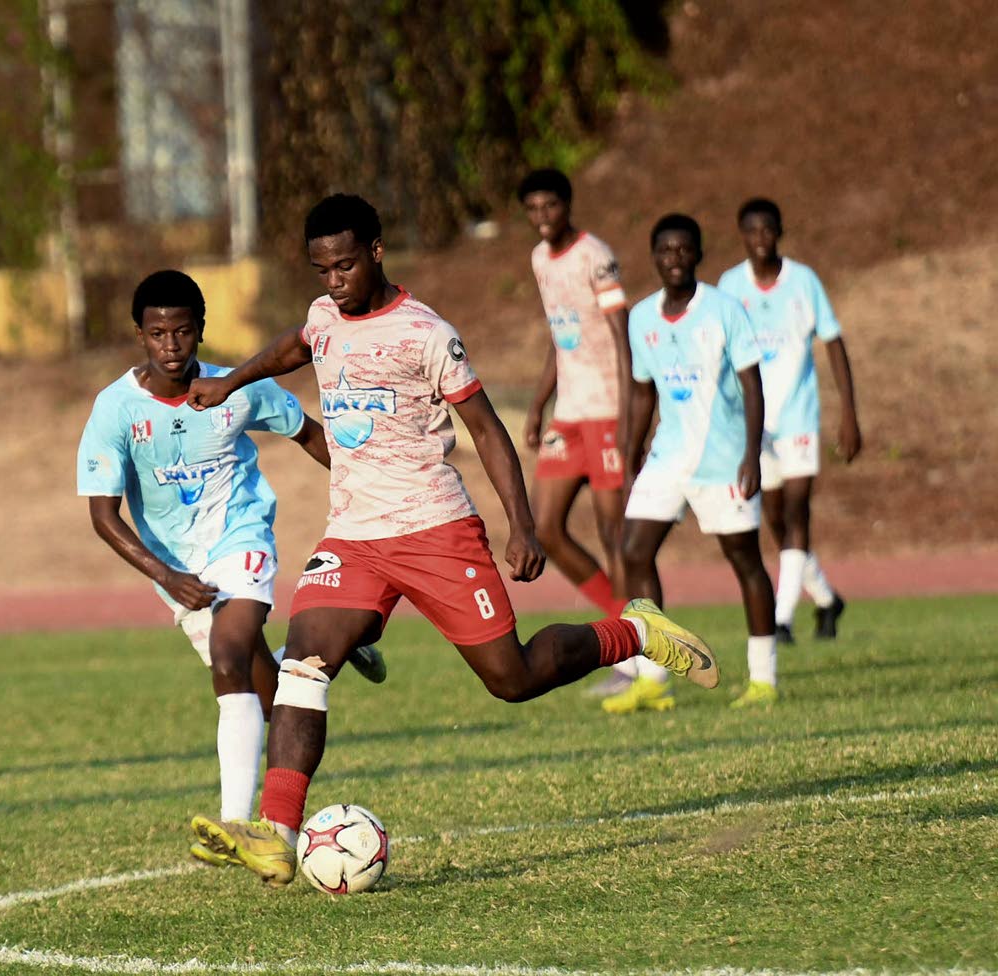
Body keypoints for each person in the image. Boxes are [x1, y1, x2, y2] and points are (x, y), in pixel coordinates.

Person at [183, 194, 721, 887]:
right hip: (353, 536)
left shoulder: (425, 333)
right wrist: (231, 379)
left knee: (513, 678)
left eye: (345, 265)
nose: (334, 281)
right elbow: (297, 342)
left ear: (376, 251)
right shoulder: (324, 317)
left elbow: (489, 430)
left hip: (437, 529)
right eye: (322, 270)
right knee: (304, 662)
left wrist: (521, 524)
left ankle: (634, 633)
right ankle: (276, 831)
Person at [75, 269, 385, 854]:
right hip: (176, 569)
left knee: (228, 656)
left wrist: (367, 496)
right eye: (158, 333)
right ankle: (340, 640)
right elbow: (103, 517)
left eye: (184, 332)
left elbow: (308, 433)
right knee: (263, 687)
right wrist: (167, 576)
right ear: (139, 334)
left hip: (242, 538)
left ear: (201, 331)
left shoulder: (235, 388)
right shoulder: (115, 410)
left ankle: (235, 824)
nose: (172, 346)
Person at [613, 214, 778, 713]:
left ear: (699, 254)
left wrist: (752, 454)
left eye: (684, 250)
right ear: (654, 256)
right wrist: (632, 452)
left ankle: (764, 679)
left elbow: (752, 385)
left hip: (724, 460)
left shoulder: (724, 309)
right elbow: (643, 392)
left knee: (744, 560)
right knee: (634, 551)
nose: (674, 259)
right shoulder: (641, 317)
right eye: (665, 250)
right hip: (668, 456)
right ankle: (652, 676)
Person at [717, 198, 861, 643]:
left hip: (798, 418)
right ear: (742, 236)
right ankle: (826, 598)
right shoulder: (729, 285)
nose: (761, 240)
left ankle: (780, 621)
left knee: (798, 514)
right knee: (775, 521)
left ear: (780, 231)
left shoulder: (803, 281)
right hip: (755, 425)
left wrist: (849, 414)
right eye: (752, 232)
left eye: (768, 230)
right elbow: (721, 354)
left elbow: (834, 343)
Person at [517, 169, 630, 628]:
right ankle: (623, 627)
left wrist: (630, 419)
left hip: (607, 411)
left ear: (568, 204)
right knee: (543, 528)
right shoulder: (540, 258)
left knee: (614, 536)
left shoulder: (595, 255)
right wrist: (538, 404)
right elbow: (560, 334)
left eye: (551, 206)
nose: (543, 217)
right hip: (568, 416)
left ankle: (638, 652)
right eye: (533, 209)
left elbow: (623, 337)